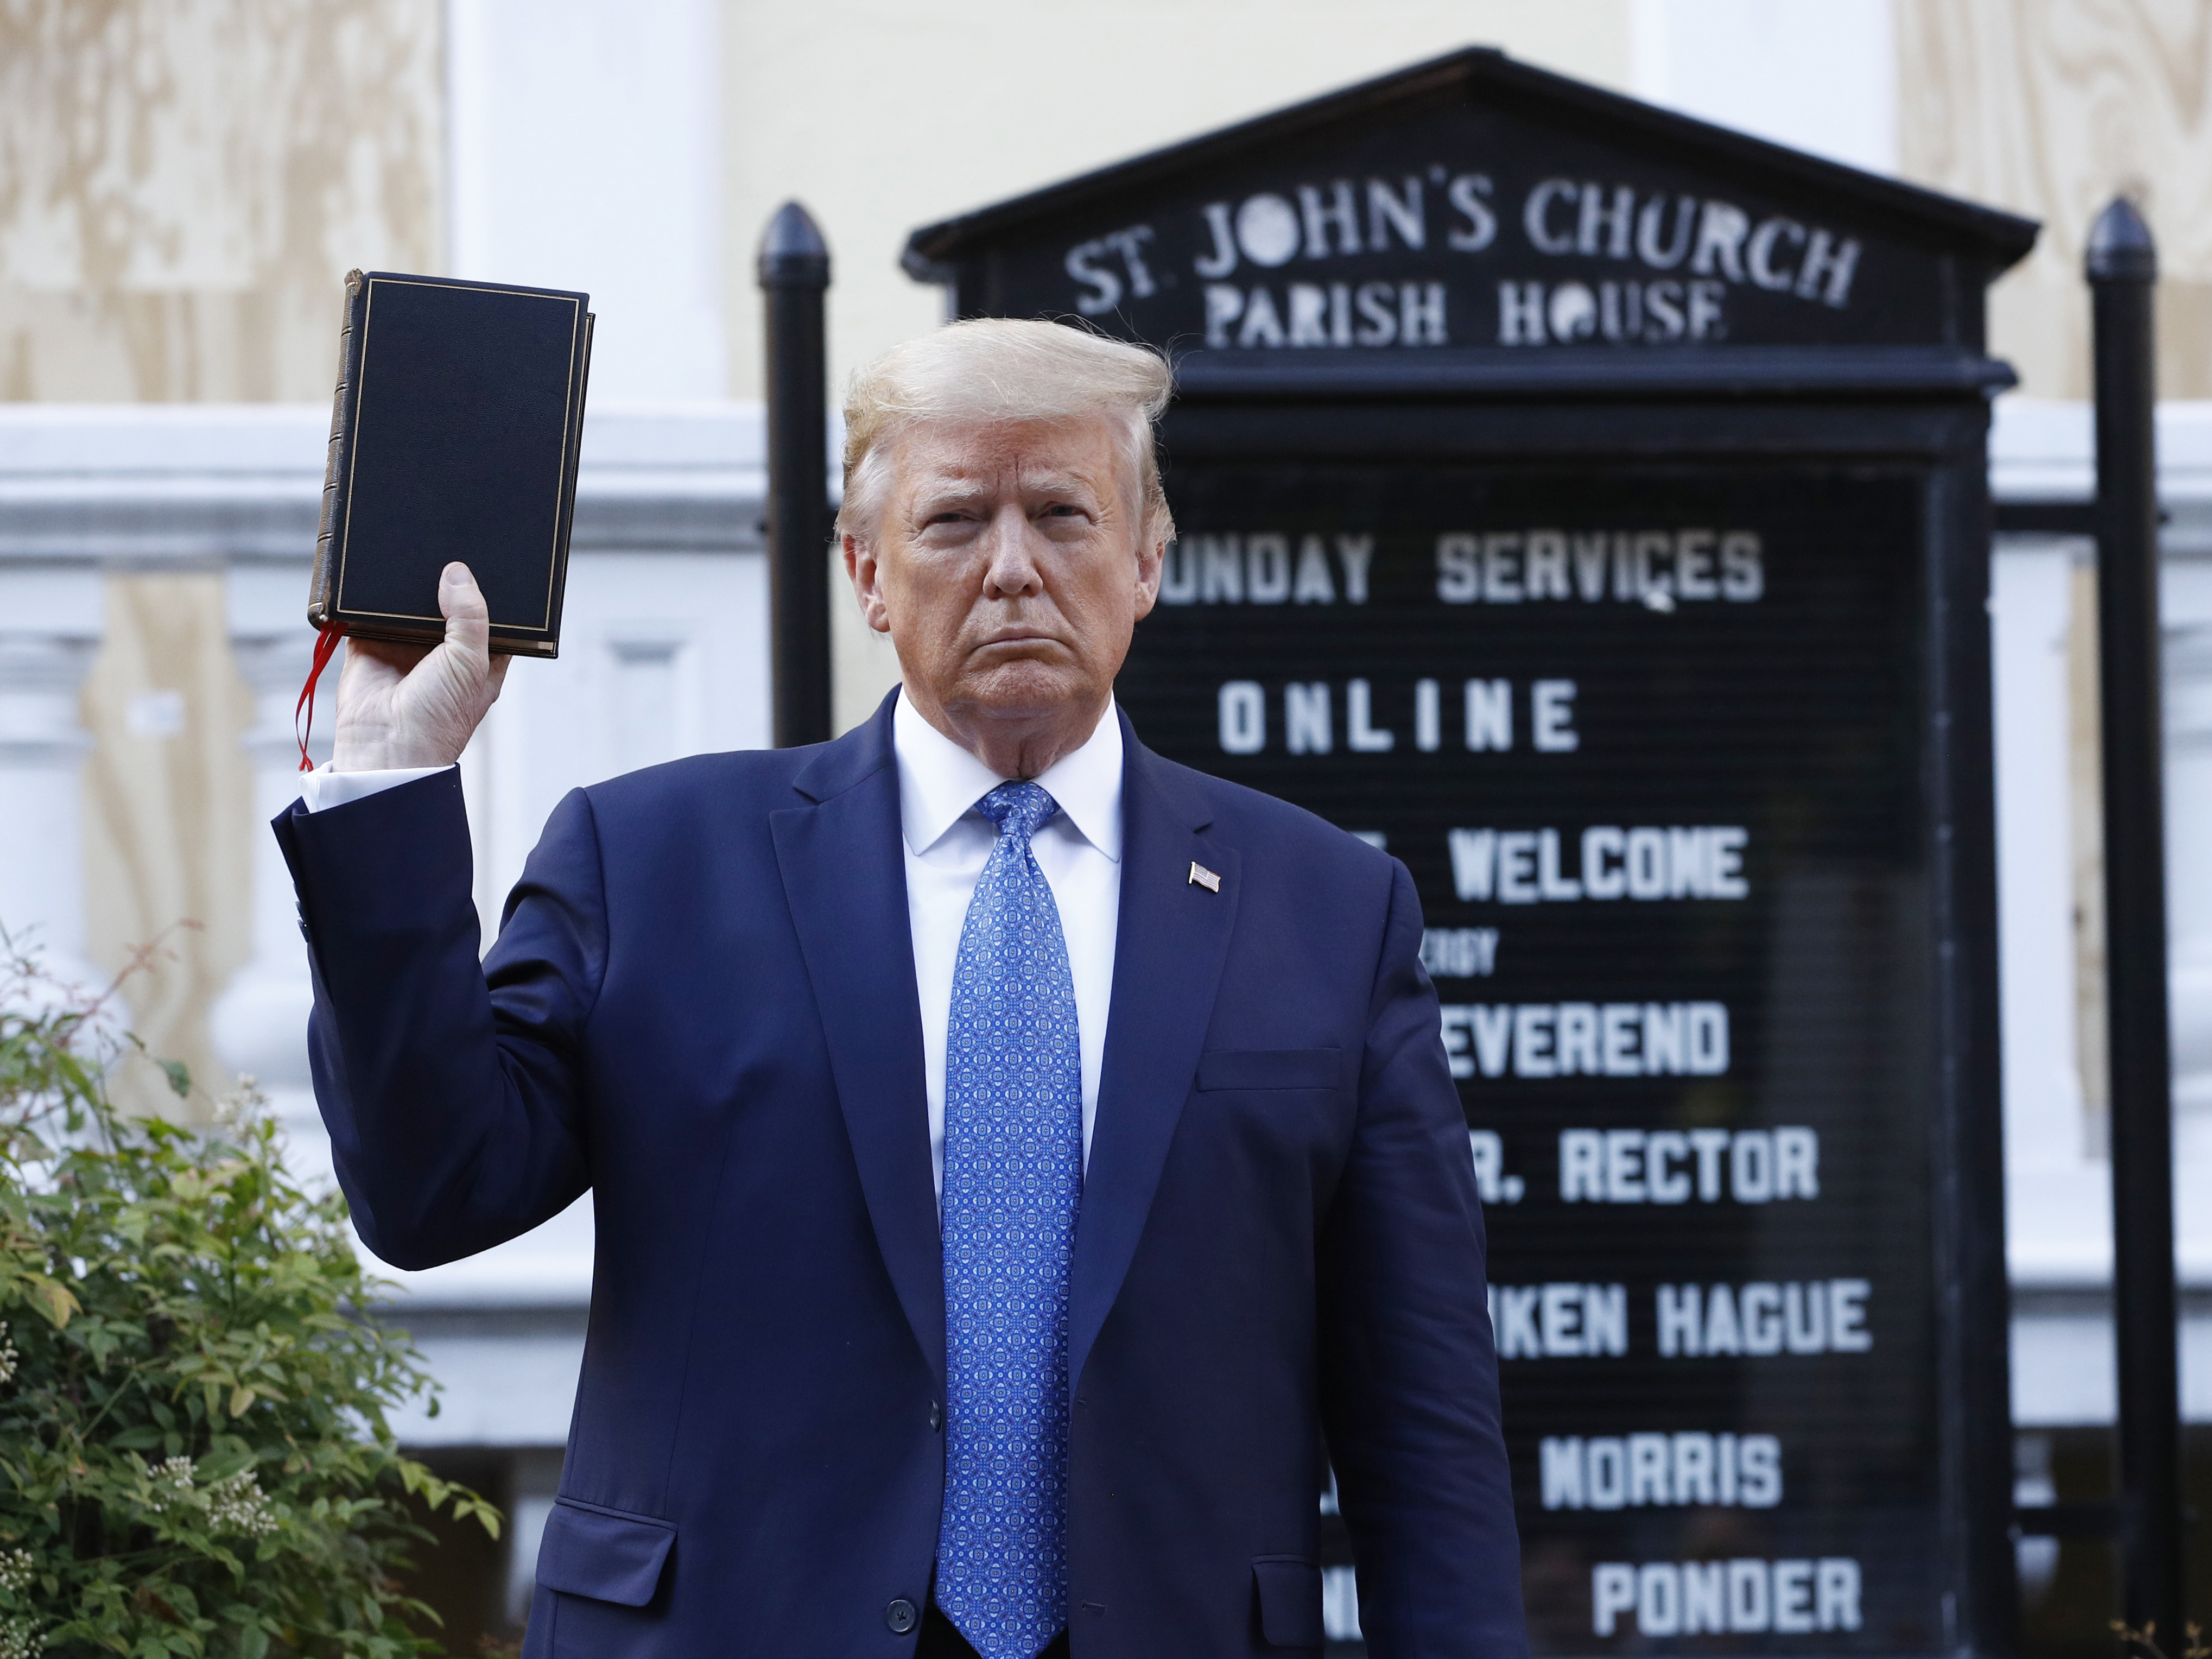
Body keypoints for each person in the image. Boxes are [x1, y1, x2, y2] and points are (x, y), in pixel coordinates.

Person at [275, 318, 1523, 1659]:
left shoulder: (1326, 909)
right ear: (867, 573)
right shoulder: (651, 863)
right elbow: (428, 1191)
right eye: (952, 522)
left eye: (1061, 514)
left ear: (1147, 558)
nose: (1011, 570)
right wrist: (391, 785)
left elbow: (1424, 1426)